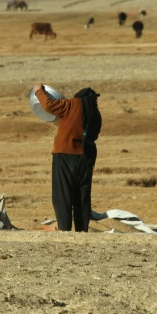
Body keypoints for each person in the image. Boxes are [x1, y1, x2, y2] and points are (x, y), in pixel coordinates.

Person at [33, 84, 102, 232]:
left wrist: (38, 90)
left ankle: (64, 230)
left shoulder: (71, 104)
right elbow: (95, 135)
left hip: (65, 154)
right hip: (86, 157)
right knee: (82, 197)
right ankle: (82, 230)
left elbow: (48, 105)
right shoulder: (95, 112)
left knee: (62, 194)